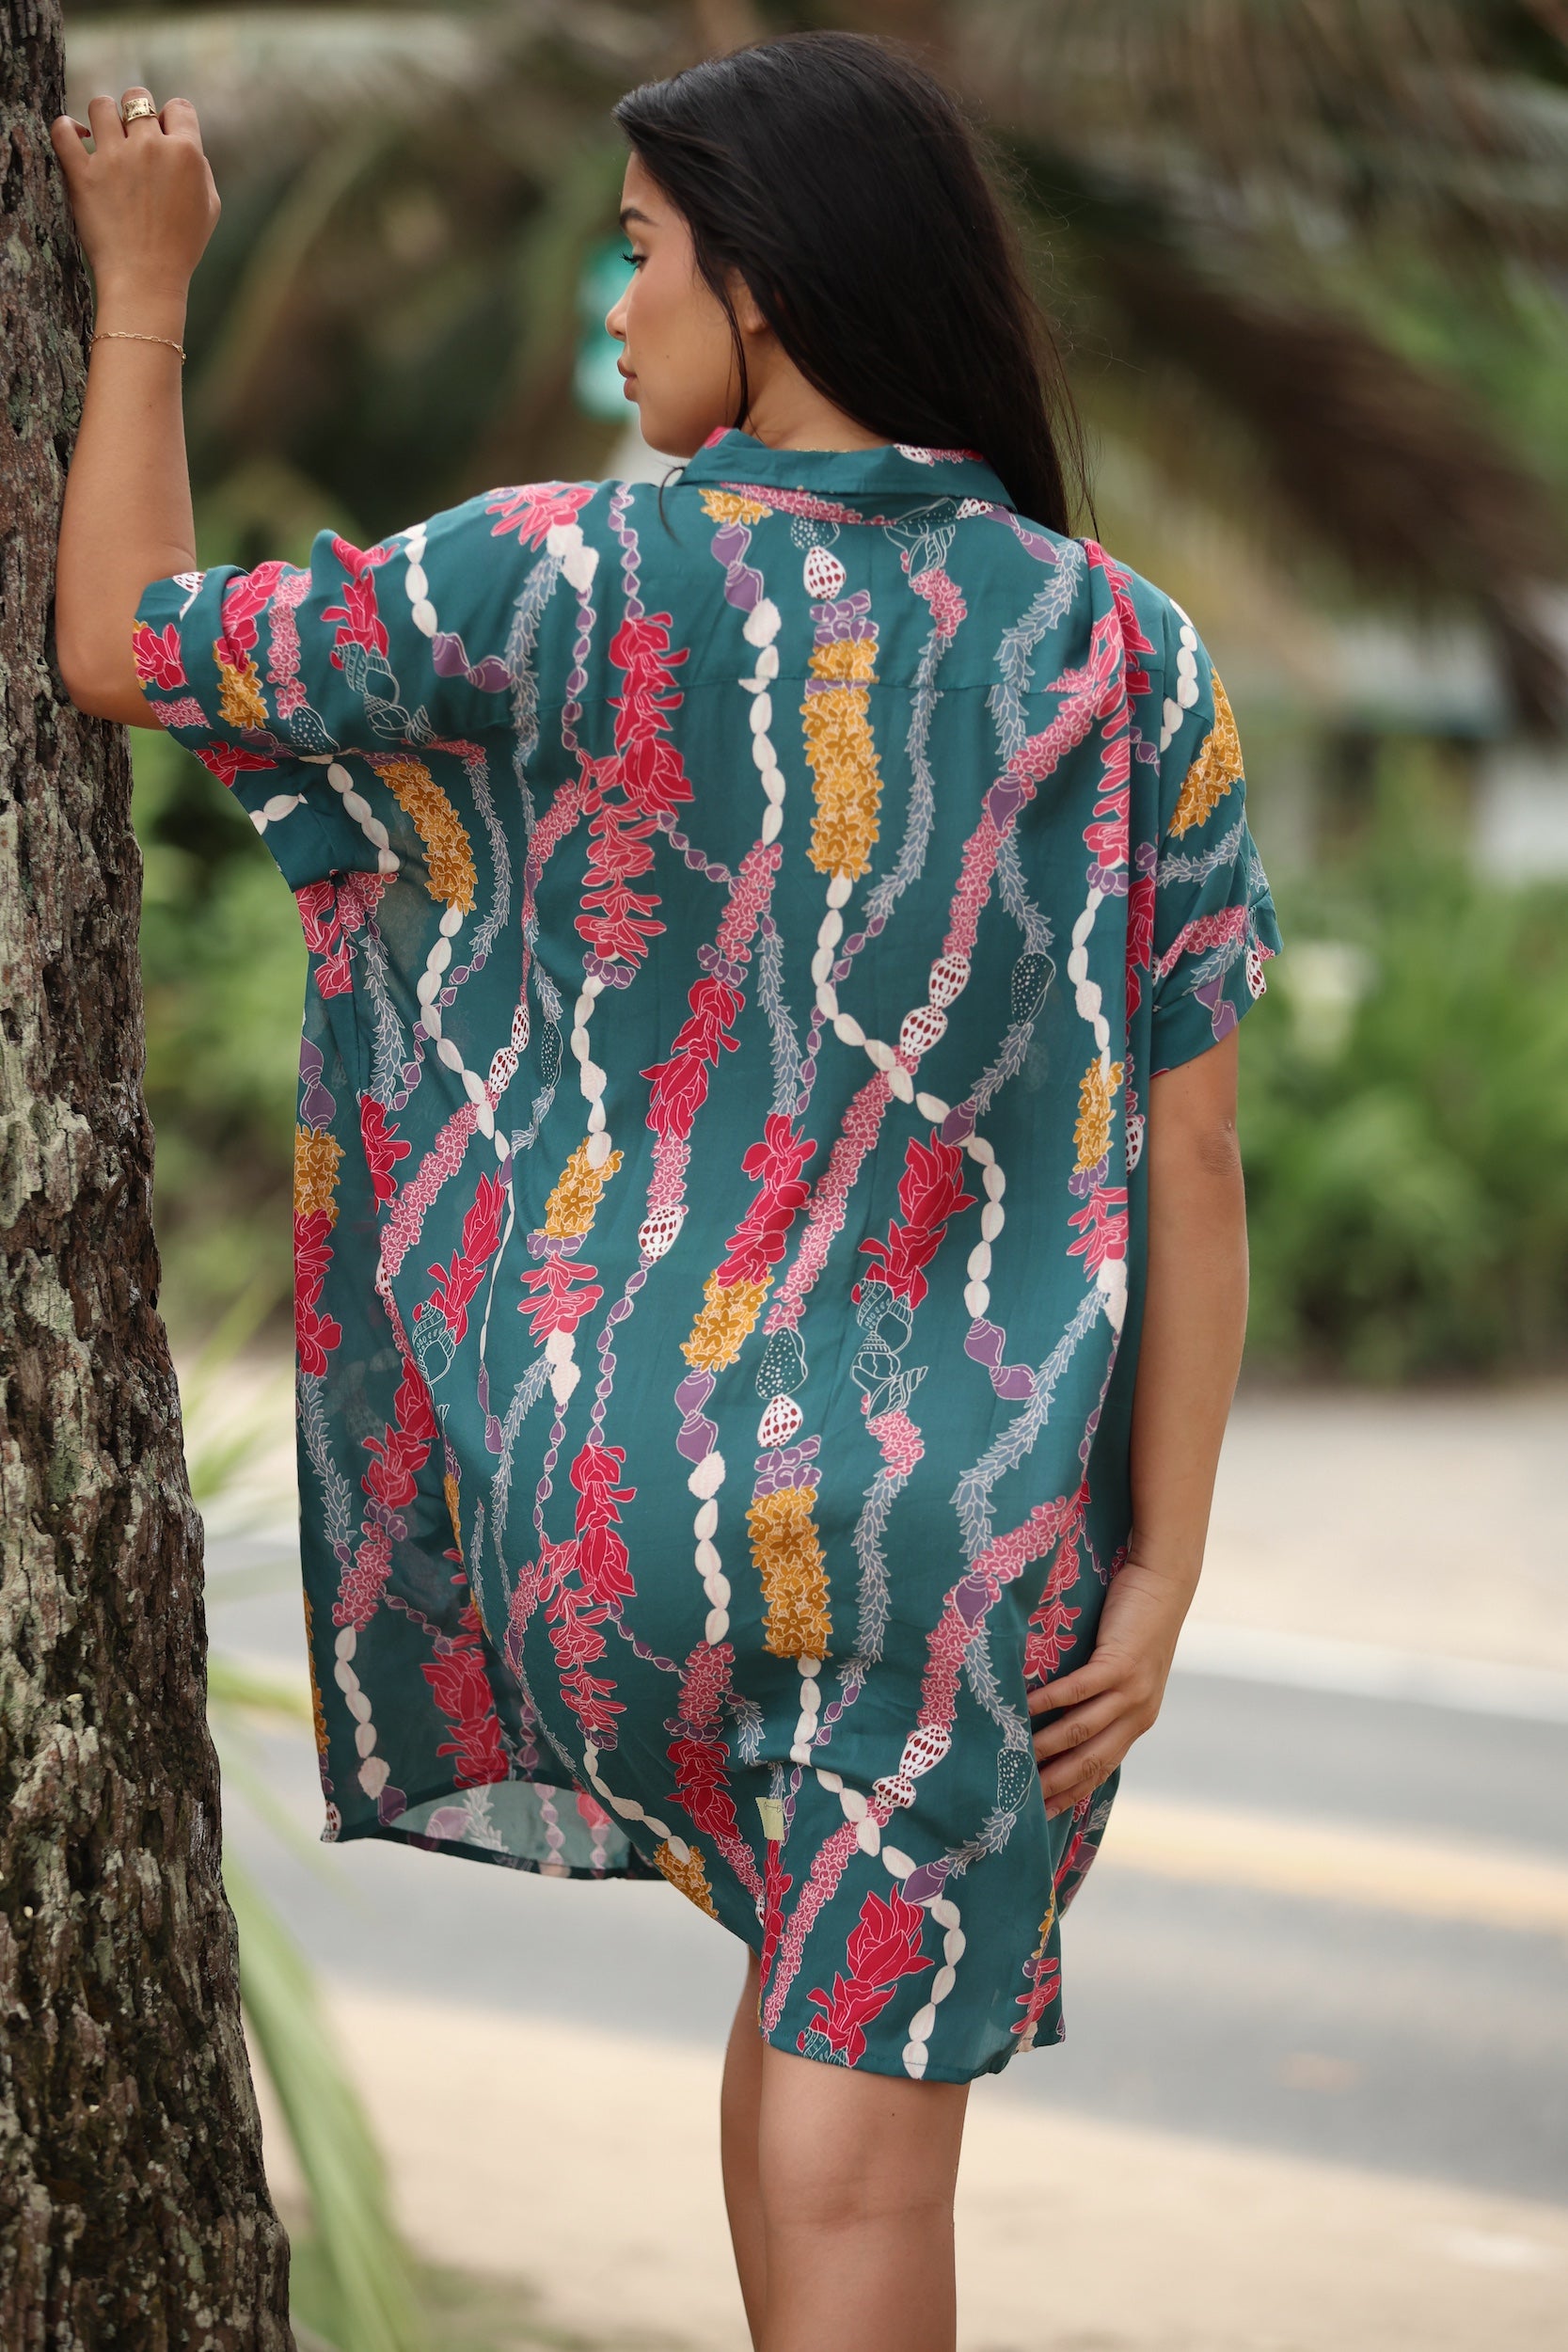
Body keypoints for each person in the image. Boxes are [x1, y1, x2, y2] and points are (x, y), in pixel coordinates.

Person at [52, 32, 1278, 2352]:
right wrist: (1166, 1556)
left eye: (640, 256)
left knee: (796, 2038)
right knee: (862, 2184)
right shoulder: (1129, 654)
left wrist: (142, 291)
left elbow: (124, 642)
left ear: (774, 279)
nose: (616, 313)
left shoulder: (553, 569)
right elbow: (1186, 1148)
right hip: (948, 1534)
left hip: (604, 1513)